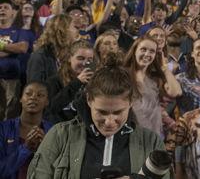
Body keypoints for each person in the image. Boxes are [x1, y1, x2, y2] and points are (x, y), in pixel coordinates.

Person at [28, 57, 169, 178]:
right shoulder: (59, 136)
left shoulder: (151, 141)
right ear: (89, 100)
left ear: (131, 102)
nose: (109, 122)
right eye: (102, 112)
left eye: (118, 112)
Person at [123, 35, 182, 136]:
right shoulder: (123, 75)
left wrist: (164, 68)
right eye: (143, 49)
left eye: (152, 51)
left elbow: (176, 91)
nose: (147, 54)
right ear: (134, 51)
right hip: (131, 135)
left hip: (154, 135)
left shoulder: (156, 78)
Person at [0, 82, 51, 179]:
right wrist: (26, 148)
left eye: (40, 95)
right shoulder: (3, 129)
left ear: (47, 101)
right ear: (20, 99)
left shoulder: (53, 131)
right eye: (28, 94)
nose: (33, 97)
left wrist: (46, 149)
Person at [44, 40, 94, 123]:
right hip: (60, 128)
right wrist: (77, 82)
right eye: (80, 58)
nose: (85, 63)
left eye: (89, 59)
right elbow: (51, 109)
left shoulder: (92, 82)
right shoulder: (54, 81)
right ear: (69, 58)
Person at [26, 14, 73, 84]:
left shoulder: (64, 55)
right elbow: (35, 88)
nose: (79, 31)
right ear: (62, 31)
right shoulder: (39, 57)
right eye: (75, 27)